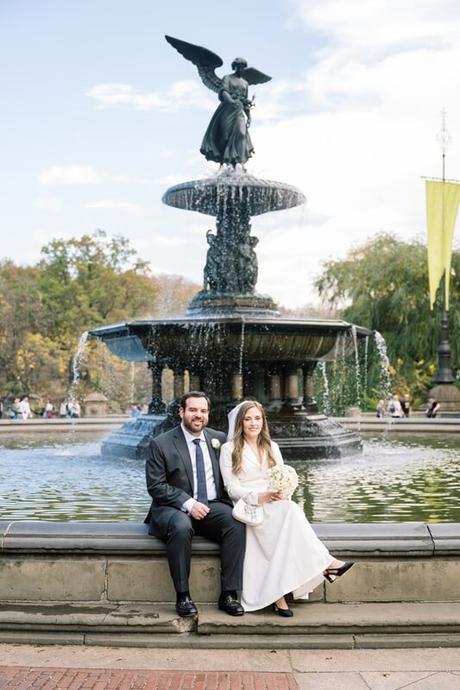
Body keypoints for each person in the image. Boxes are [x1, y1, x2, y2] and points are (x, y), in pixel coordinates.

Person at [219, 400, 354, 616]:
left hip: (274, 502)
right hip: (249, 505)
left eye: (257, 418)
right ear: (240, 422)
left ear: (263, 420)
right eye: (248, 419)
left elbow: (284, 479)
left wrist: (281, 493)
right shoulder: (229, 449)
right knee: (291, 513)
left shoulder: (272, 447)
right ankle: (327, 564)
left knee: (289, 508)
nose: (253, 423)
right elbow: (231, 488)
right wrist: (258, 496)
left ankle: (282, 593)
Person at [145, 391, 246, 618]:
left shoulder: (218, 439)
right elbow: (156, 487)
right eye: (193, 410)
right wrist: (188, 503)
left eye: (202, 411)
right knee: (181, 527)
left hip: (211, 505)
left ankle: (228, 595)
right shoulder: (160, 444)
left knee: (236, 523)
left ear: (207, 414)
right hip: (173, 508)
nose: (198, 415)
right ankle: (183, 596)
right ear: (182, 412)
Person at [200, 58, 255, 167]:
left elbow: (245, 102)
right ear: (234, 66)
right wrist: (231, 101)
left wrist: (249, 117)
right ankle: (222, 162)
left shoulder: (245, 83)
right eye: (238, 66)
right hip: (227, 109)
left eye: (243, 66)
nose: (240, 68)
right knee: (224, 136)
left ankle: (238, 163)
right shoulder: (228, 78)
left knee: (241, 133)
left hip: (238, 110)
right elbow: (223, 92)